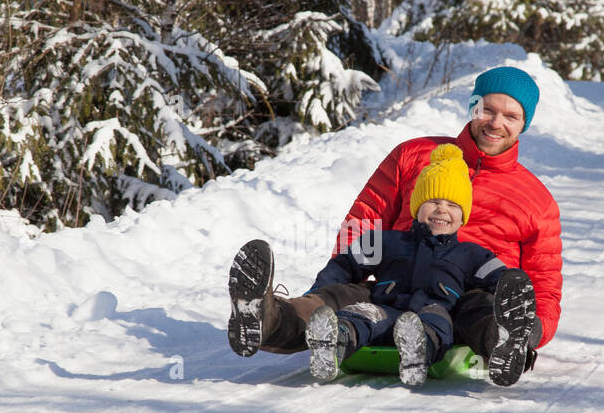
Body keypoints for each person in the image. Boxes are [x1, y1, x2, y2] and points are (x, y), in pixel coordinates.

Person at [227, 65, 561, 387]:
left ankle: (504, 343)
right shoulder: (413, 154)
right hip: (394, 283)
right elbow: (363, 223)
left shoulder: (536, 199)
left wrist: (530, 330)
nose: (495, 123)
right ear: (474, 106)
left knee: (481, 309)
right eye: (488, 109)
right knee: (341, 297)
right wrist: (333, 283)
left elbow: (543, 287)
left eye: (511, 116)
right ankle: (269, 320)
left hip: (468, 298)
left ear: (524, 123)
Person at [299, 145, 533, 386]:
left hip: (437, 311)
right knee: (362, 314)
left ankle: (419, 354)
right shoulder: (388, 242)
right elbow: (345, 264)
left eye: (452, 205)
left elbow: (501, 280)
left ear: (463, 217)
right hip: (386, 309)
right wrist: (320, 291)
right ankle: (334, 343)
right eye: (433, 201)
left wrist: (511, 300)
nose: (442, 209)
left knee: (435, 325)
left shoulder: (469, 254)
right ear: (417, 207)